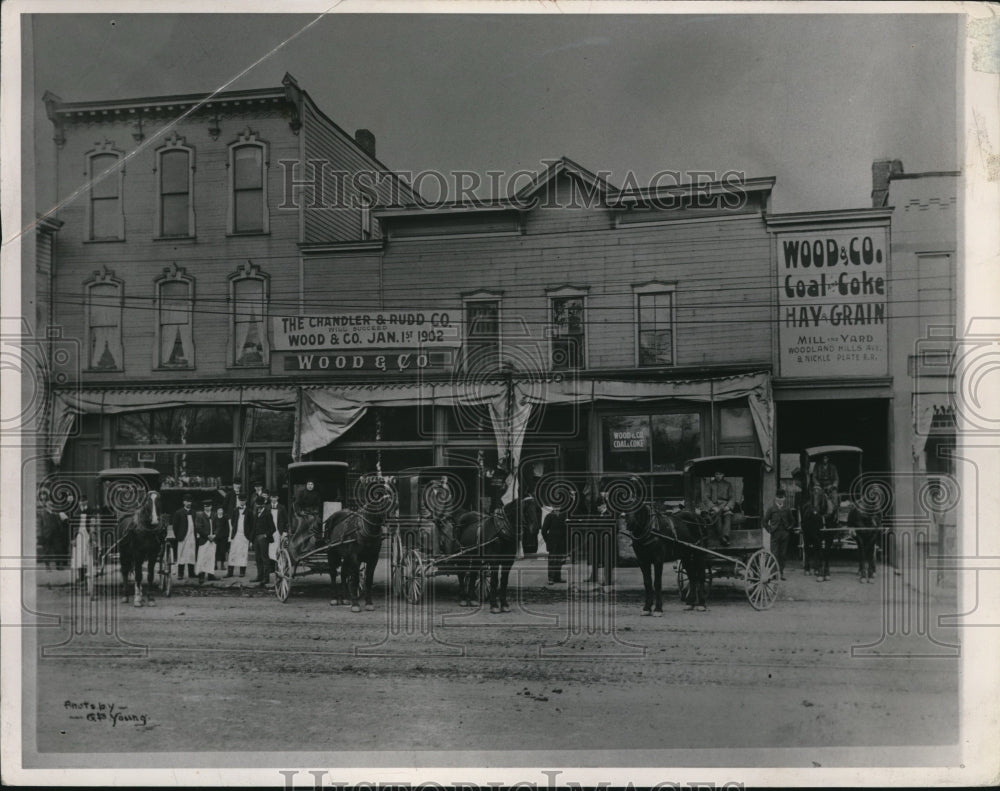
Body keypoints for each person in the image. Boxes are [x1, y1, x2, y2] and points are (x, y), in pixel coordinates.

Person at [848, 498, 881, 583]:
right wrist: (851, 529)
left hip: (872, 532)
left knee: (871, 551)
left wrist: (878, 528)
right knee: (862, 551)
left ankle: (871, 572)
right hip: (860, 533)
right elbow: (850, 522)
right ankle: (863, 572)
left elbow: (879, 520)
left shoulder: (875, 510)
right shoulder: (855, 510)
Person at [763, 489, 794, 580]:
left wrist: (789, 528)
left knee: (783, 554)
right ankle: (773, 573)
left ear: (784, 498)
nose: (780, 500)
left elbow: (792, 521)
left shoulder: (787, 509)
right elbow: (764, 522)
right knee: (774, 554)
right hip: (775, 534)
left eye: (782, 498)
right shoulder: (771, 509)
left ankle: (781, 573)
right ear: (776, 498)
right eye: (778, 498)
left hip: (785, 534)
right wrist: (770, 530)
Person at [702, 470, 734, 546]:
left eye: (720, 474)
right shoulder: (710, 485)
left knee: (728, 516)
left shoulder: (728, 485)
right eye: (716, 474)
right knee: (717, 517)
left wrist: (728, 506)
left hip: (725, 505)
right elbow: (706, 498)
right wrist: (713, 507)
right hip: (715, 507)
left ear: (723, 475)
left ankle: (726, 536)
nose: (718, 476)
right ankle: (721, 538)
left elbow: (732, 497)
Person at [251, 490, 276, 586]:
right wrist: (252, 539)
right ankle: (259, 576)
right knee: (258, 558)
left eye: (258, 504)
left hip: (263, 538)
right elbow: (254, 527)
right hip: (256, 538)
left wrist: (266, 535)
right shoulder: (256, 513)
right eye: (257, 504)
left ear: (262, 505)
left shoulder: (267, 513)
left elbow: (273, 528)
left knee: (265, 558)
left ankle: (266, 578)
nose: (257, 506)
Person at [172, 494, 199, 580]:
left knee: (191, 554)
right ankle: (180, 574)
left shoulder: (194, 512)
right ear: (184, 502)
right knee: (182, 555)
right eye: (187, 501)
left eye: (190, 501)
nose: (188, 503)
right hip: (183, 537)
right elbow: (175, 527)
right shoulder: (178, 513)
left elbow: (196, 524)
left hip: (192, 537)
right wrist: (178, 536)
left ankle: (191, 573)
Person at [540, 505, 568, 584]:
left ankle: (557, 578)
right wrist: (548, 541)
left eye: (558, 506)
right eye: (555, 506)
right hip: (552, 542)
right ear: (553, 507)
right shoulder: (549, 516)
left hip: (562, 541)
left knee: (559, 560)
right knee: (552, 561)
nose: (557, 508)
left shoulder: (564, 516)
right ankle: (551, 578)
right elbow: (544, 531)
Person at [226, 493, 251, 578]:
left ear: (246, 501)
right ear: (239, 501)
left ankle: (242, 572)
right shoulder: (235, 510)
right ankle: (230, 572)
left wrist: (249, 536)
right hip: (236, 535)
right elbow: (233, 522)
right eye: (241, 501)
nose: (242, 502)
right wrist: (235, 530)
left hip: (245, 535)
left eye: (243, 501)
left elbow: (251, 524)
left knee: (243, 553)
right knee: (233, 552)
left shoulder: (249, 511)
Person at [194, 499, 216, 583]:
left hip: (213, 540)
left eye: (209, 506)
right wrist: (207, 536)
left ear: (211, 506)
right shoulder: (200, 516)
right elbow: (198, 527)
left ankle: (211, 574)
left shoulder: (214, 515)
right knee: (202, 557)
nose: (208, 508)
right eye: (206, 506)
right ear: (204, 507)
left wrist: (215, 535)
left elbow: (218, 526)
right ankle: (201, 575)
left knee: (211, 557)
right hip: (204, 540)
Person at [212, 505, 229, 572]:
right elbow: (213, 527)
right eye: (219, 510)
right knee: (215, 551)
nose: (220, 511)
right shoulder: (215, 518)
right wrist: (213, 535)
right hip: (216, 537)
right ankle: (215, 565)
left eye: (221, 510)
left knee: (222, 551)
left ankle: (222, 565)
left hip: (223, 538)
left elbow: (227, 528)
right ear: (217, 511)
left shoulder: (225, 518)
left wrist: (226, 536)